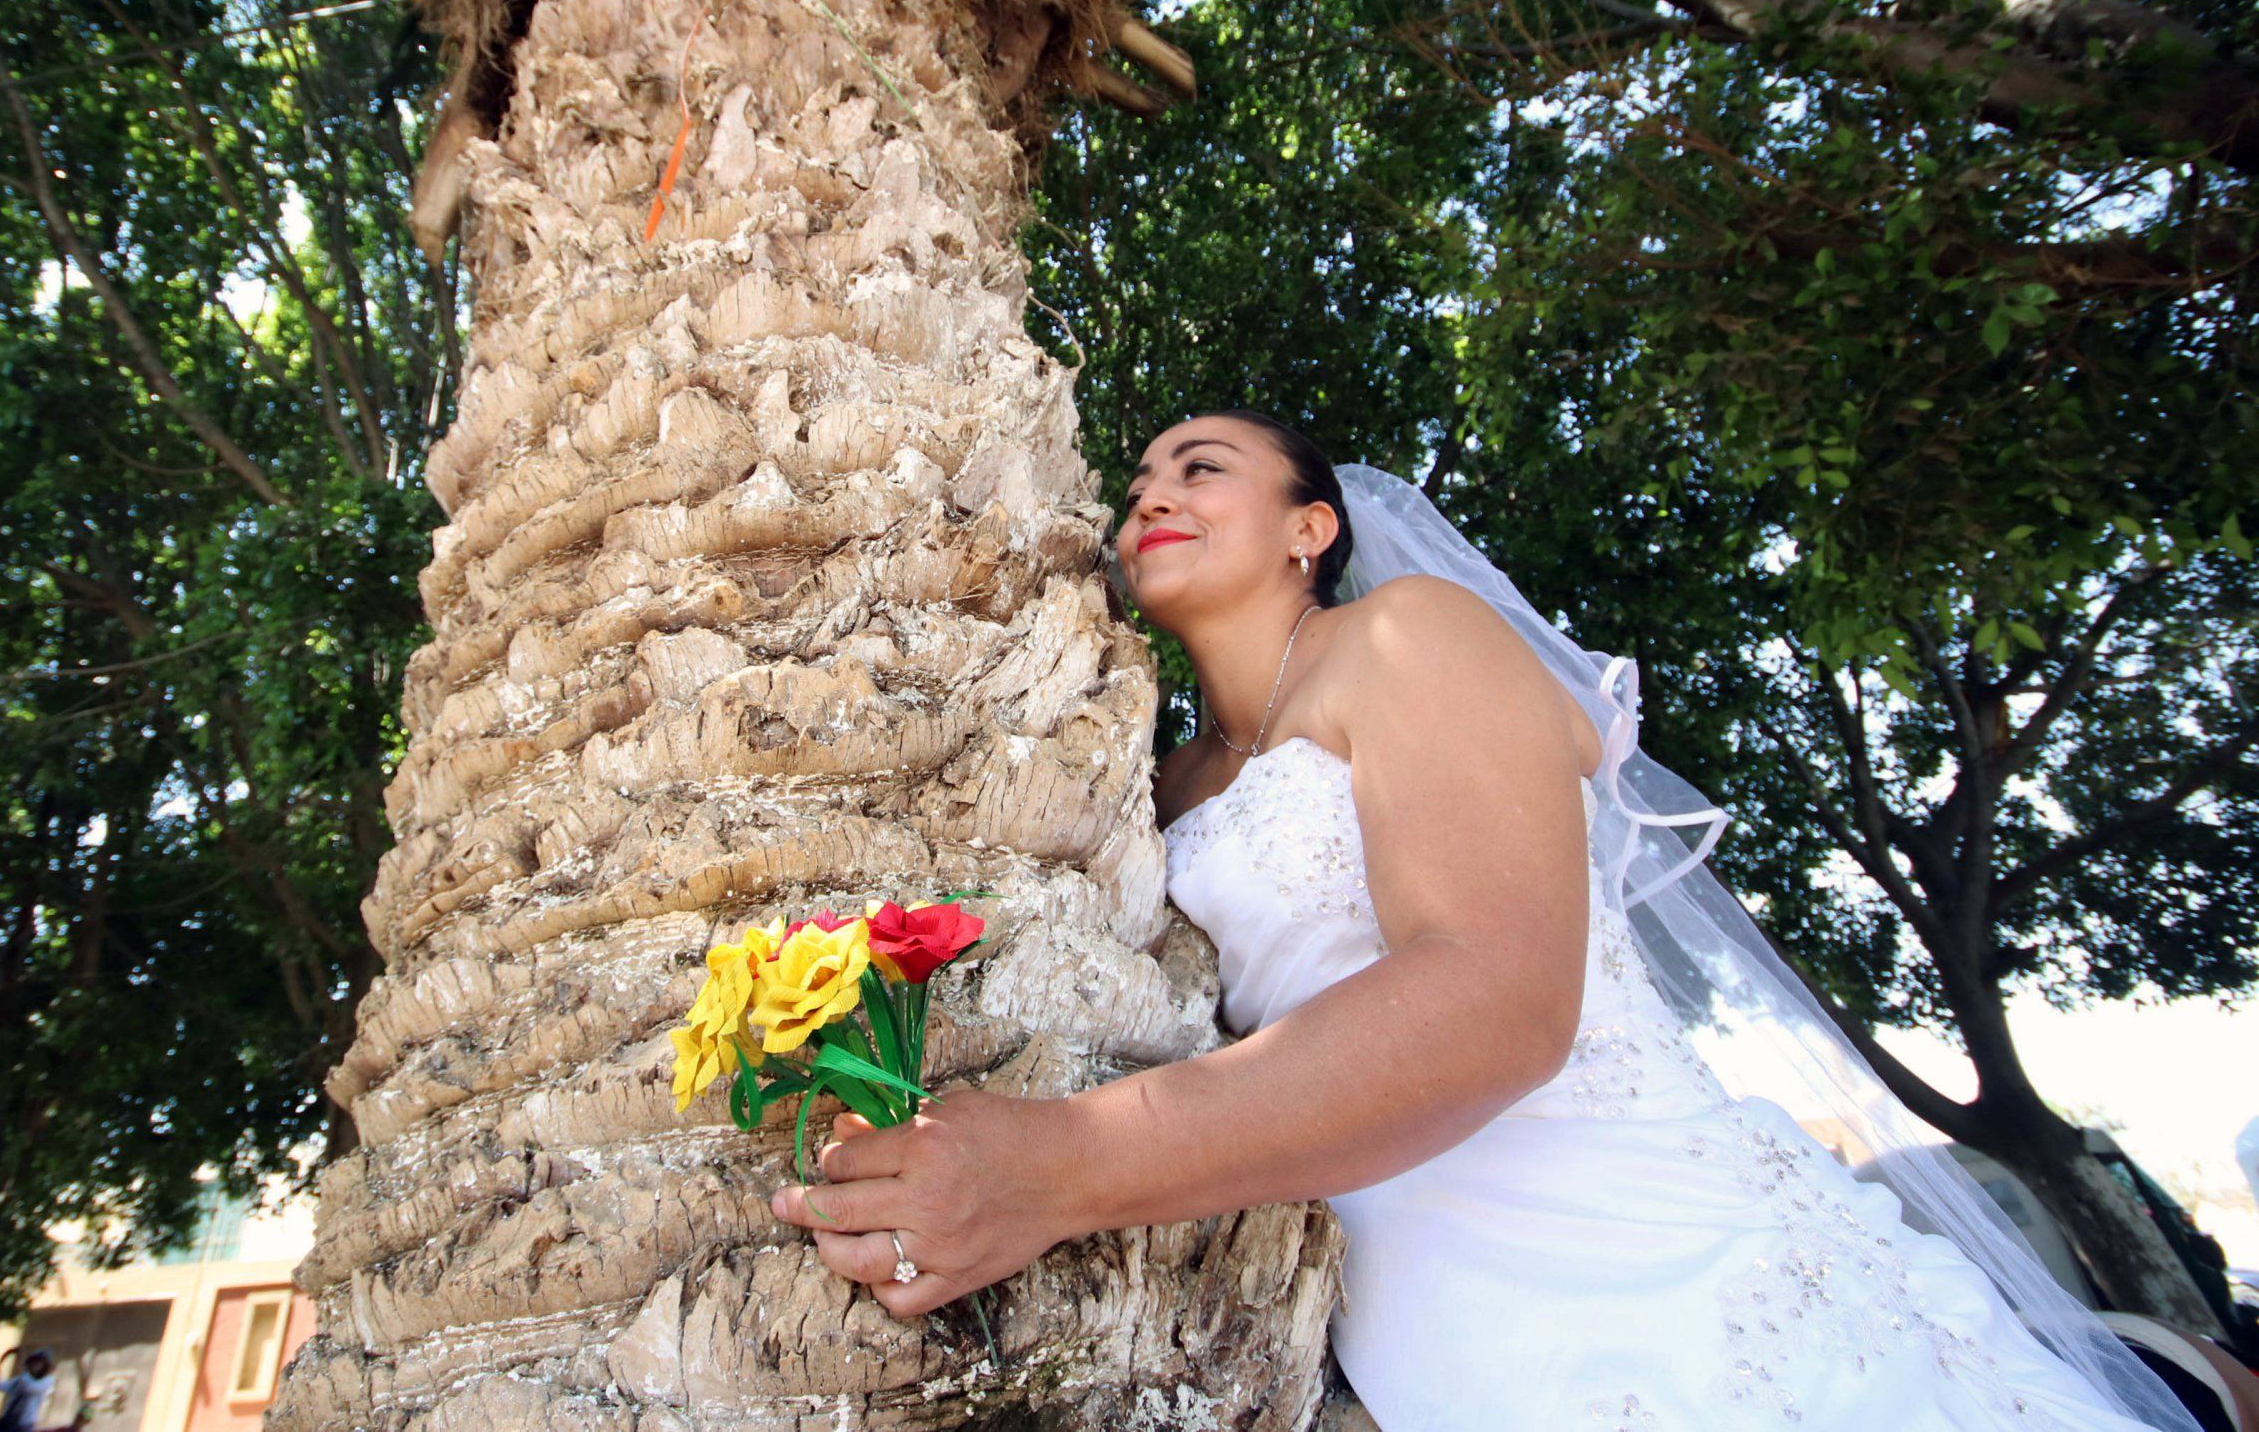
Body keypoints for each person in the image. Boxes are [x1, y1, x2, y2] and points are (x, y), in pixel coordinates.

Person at [772, 411, 2203, 1430]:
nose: (1152, 489)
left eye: (1202, 467)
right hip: (1412, 1331)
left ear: (1310, 526)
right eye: (1138, 474)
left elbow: (1504, 998)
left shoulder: (1407, 639)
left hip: (1654, 1264)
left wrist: (1062, 1169)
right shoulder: (1157, 781)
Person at [0, 1347, 55, 1432]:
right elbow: (2, 1387)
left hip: (23, 1425)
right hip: (8, 1420)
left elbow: (30, 1387)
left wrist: (24, 1369)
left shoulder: (47, 1381)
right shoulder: (22, 1378)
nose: (35, 1365)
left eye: (39, 1363)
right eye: (34, 1362)